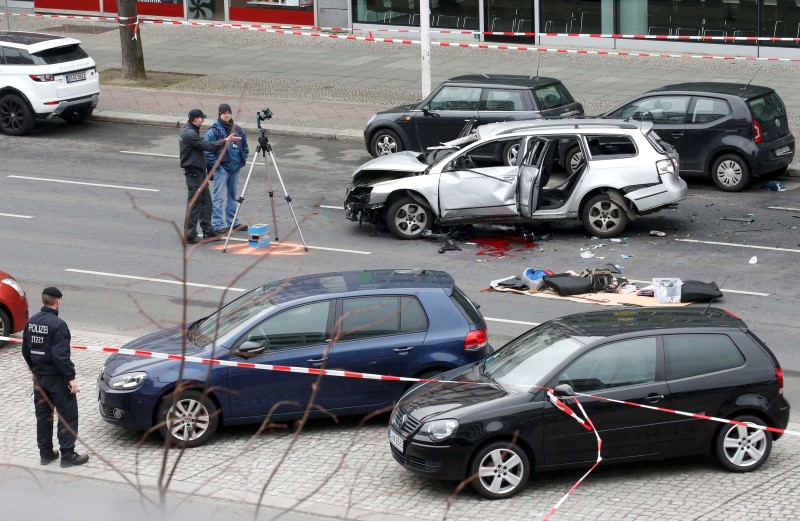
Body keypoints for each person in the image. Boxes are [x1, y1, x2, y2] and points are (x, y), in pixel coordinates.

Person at [21, 287, 89, 468]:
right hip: (57, 379)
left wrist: (35, 369)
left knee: (43, 416)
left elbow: (25, 350)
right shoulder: (58, 325)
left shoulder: (32, 322)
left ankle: (45, 454)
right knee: (67, 416)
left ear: (44, 300)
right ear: (57, 301)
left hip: (40, 378)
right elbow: (60, 357)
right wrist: (71, 378)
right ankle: (67, 455)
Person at [179, 108, 241, 244]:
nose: (204, 120)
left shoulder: (188, 129)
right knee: (194, 203)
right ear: (195, 119)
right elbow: (207, 146)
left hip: (199, 172)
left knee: (206, 202)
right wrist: (225, 141)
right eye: (202, 118)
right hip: (194, 172)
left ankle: (208, 231)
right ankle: (189, 235)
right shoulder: (190, 133)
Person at [205, 103, 249, 235]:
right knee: (218, 197)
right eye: (224, 113)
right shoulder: (213, 131)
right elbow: (206, 150)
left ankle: (232, 223)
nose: (227, 115)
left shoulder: (238, 129)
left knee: (232, 196)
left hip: (235, 168)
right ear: (220, 114)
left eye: (229, 112)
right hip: (222, 169)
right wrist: (217, 166)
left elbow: (244, 145)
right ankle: (217, 225)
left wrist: (242, 160)